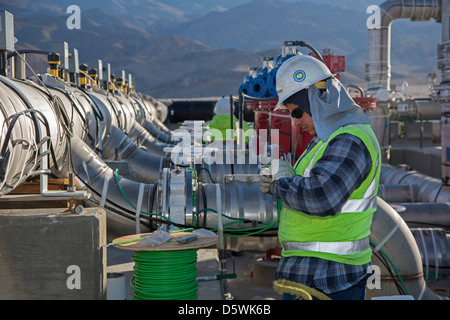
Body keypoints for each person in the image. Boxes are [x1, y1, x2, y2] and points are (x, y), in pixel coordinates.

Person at [260, 54, 381, 300]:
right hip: (311, 276)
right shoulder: (326, 139)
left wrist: (279, 183)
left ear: (319, 99)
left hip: (328, 279)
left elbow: (321, 197)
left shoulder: (350, 139)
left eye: (297, 113)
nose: (296, 123)